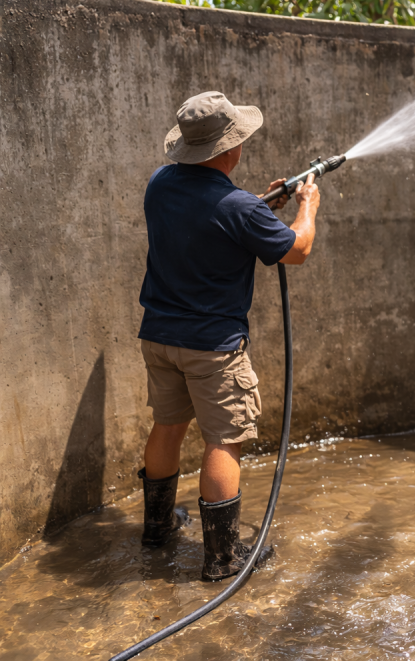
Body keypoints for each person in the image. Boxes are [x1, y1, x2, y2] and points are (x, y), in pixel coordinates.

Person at [136, 91, 321, 581]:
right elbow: (297, 249)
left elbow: (211, 219)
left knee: (168, 426)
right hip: (212, 348)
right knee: (225, 439)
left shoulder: (160, 183)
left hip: (159, 335)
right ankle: (223, 559)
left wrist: (263, 206)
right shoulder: (238, 207)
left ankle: (156, 528)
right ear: (230, 148)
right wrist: (306, 205)